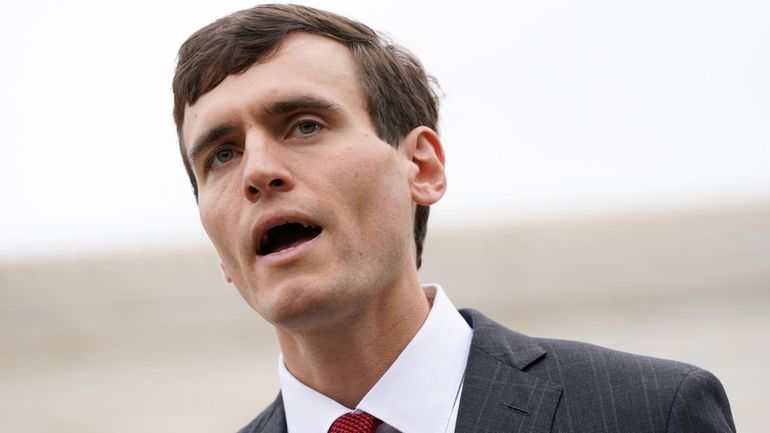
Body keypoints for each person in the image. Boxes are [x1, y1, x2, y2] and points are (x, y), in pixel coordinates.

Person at [172, 4, 735, 433]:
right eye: (221, 154)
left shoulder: (650, 412)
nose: (258, 171)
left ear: (421, 167)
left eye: (305, 125)